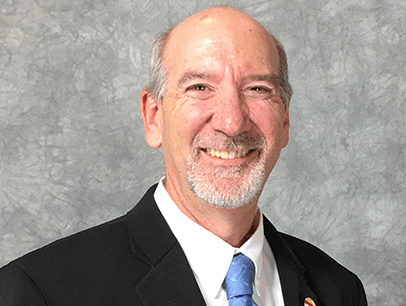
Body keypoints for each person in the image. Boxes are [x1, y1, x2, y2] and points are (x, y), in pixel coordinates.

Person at [0, 6, 367, 306]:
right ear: (153, 116)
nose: (231, 120)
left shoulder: (338, 289)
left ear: (285, 119)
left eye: (257, 88)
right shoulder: (42, 291)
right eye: (200, 87)